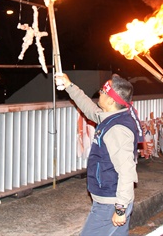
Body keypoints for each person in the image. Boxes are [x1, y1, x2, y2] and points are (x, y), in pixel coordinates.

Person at [55, 72, 142, 235]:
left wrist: (121, 208)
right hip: (111, 199)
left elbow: (127, 171)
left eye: (103, 91)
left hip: (110, 202)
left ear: (110, 100)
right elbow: (89, 109)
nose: (99, 93)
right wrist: (69, 86)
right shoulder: (112, 117)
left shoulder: (117, 129)